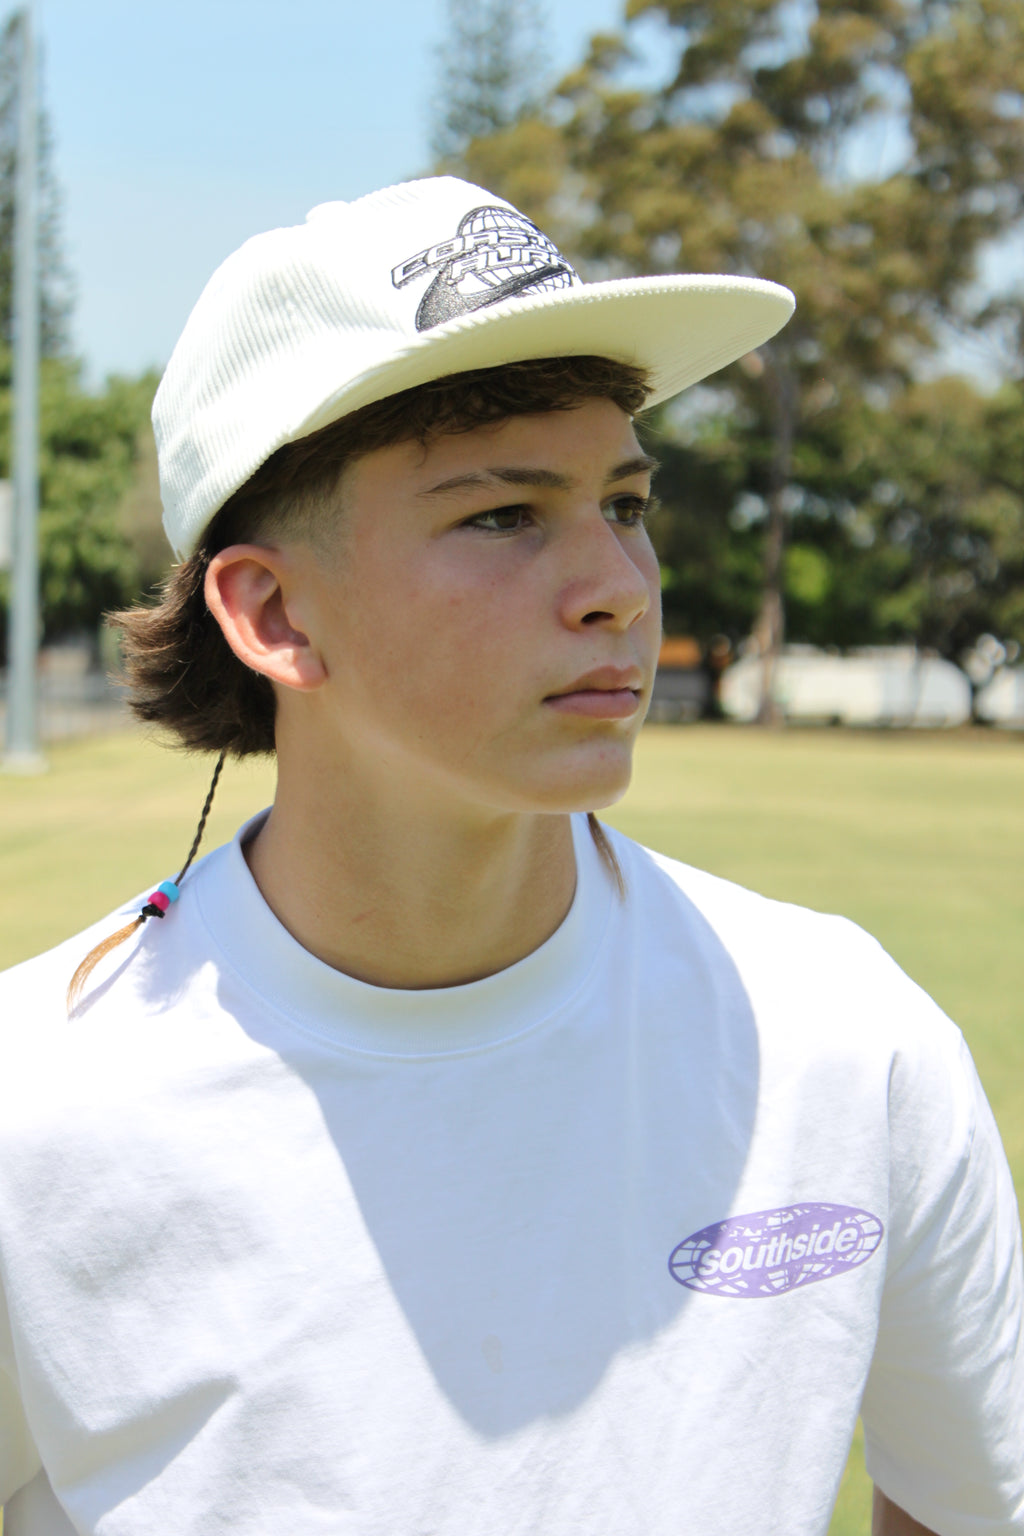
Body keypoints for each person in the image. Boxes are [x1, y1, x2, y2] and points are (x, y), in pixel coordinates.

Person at [0, 175, 1020, 1536]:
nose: (618, 584)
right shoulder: (38, 1118)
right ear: (276, 610)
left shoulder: (847, 1045)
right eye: (503, 515)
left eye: (627, 503)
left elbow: (966, 1501)